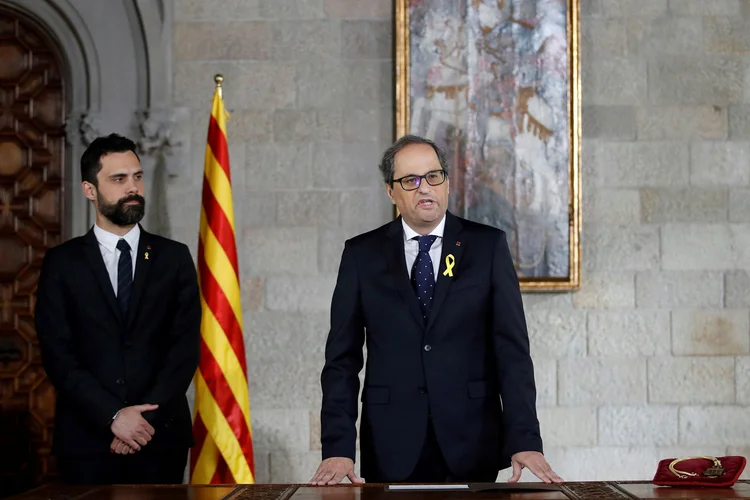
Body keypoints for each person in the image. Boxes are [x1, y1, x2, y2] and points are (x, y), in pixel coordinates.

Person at [310, 135, 562, 484]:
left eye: (433, 177)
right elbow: (342, 360)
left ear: (446, 182)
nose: (424, 188)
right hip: (390, 442)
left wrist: (525, 439)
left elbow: (513, 353)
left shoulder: (487, 247)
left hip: (472, 439)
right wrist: (337, 447)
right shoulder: (361, 255)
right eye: (410, 181)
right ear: (390, 191)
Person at [34, 133, 201, 484]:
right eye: (119, 179)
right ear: (89, 190)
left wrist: (140, 422)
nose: (133, 187)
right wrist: (113, 415)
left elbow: (184, 350)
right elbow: (58, 354)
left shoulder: (173, 258)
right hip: (87, 440)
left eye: (137, 177)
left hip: (159, 438)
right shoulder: (62, 263)